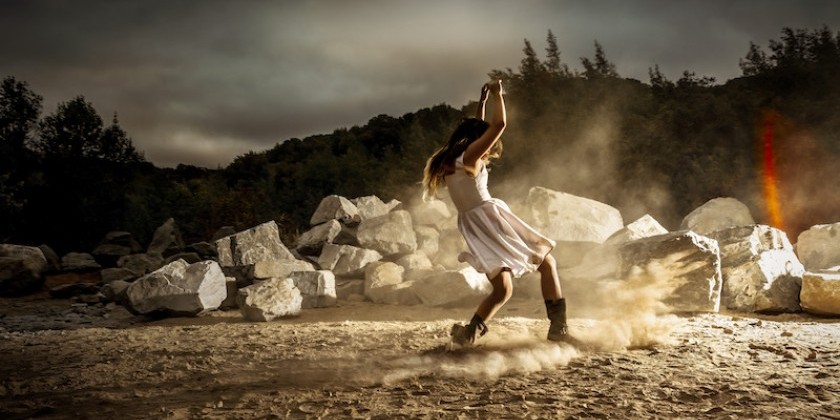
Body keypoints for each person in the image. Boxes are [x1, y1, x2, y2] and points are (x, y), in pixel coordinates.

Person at [422, 80, 572, 346]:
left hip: (474, 225)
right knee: (547, 262)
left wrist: (481, 104)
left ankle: (468, 333)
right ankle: (558, 329)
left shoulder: (451, 160)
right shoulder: (470, 158)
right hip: (490, 219)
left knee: (503, 289)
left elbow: (478, 130)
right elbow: (499, 126)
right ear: (475, 140)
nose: (489, 148)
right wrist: (497, 94)